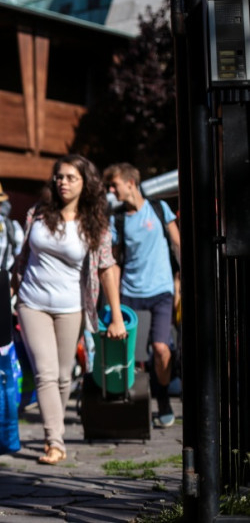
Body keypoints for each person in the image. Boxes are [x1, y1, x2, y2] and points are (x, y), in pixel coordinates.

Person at [12, 154, 124, 465]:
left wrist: (116, 316)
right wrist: (9, 290)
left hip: (71, 307)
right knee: (46, 373)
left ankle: (55, 431)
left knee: (63, 376)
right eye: (59, 177)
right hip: (32, 302)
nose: (63, 182)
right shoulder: (37, 213)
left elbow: (106, 268)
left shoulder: (95, 224)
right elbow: (23, 257)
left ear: (85, 183)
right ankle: (54, 440)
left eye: (71, 178)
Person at [103, 162, 181, 428]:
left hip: (161, 291)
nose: (111, 191)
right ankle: (132, 406)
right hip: (130, 293)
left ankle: (163, 398)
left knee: (161, 349)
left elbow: (177, 243)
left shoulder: (159, 209)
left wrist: (183, 279)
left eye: (114, 185)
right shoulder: (118, 219)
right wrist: (113, 300)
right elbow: (113, 261)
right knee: (131, 355)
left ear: (130, 183)